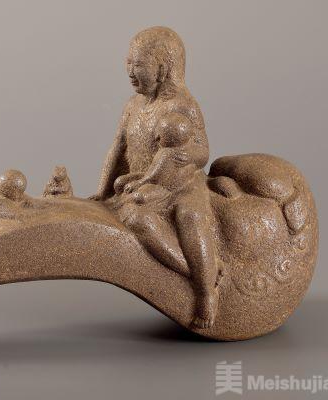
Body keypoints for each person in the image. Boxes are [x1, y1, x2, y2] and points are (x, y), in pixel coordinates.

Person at [90, 27, 219, 328]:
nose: (130, 72)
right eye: (128, 63)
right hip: (143, 181)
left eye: (138, 65)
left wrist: (186, 156)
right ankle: (191, 270)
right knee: (136, 218)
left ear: (162, 69)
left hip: (180, 183)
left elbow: (203, 150)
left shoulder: (184, 105)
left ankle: (206, 291)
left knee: (190, 218)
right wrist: (102, 191)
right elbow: (118, 148)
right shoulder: (132, 106)